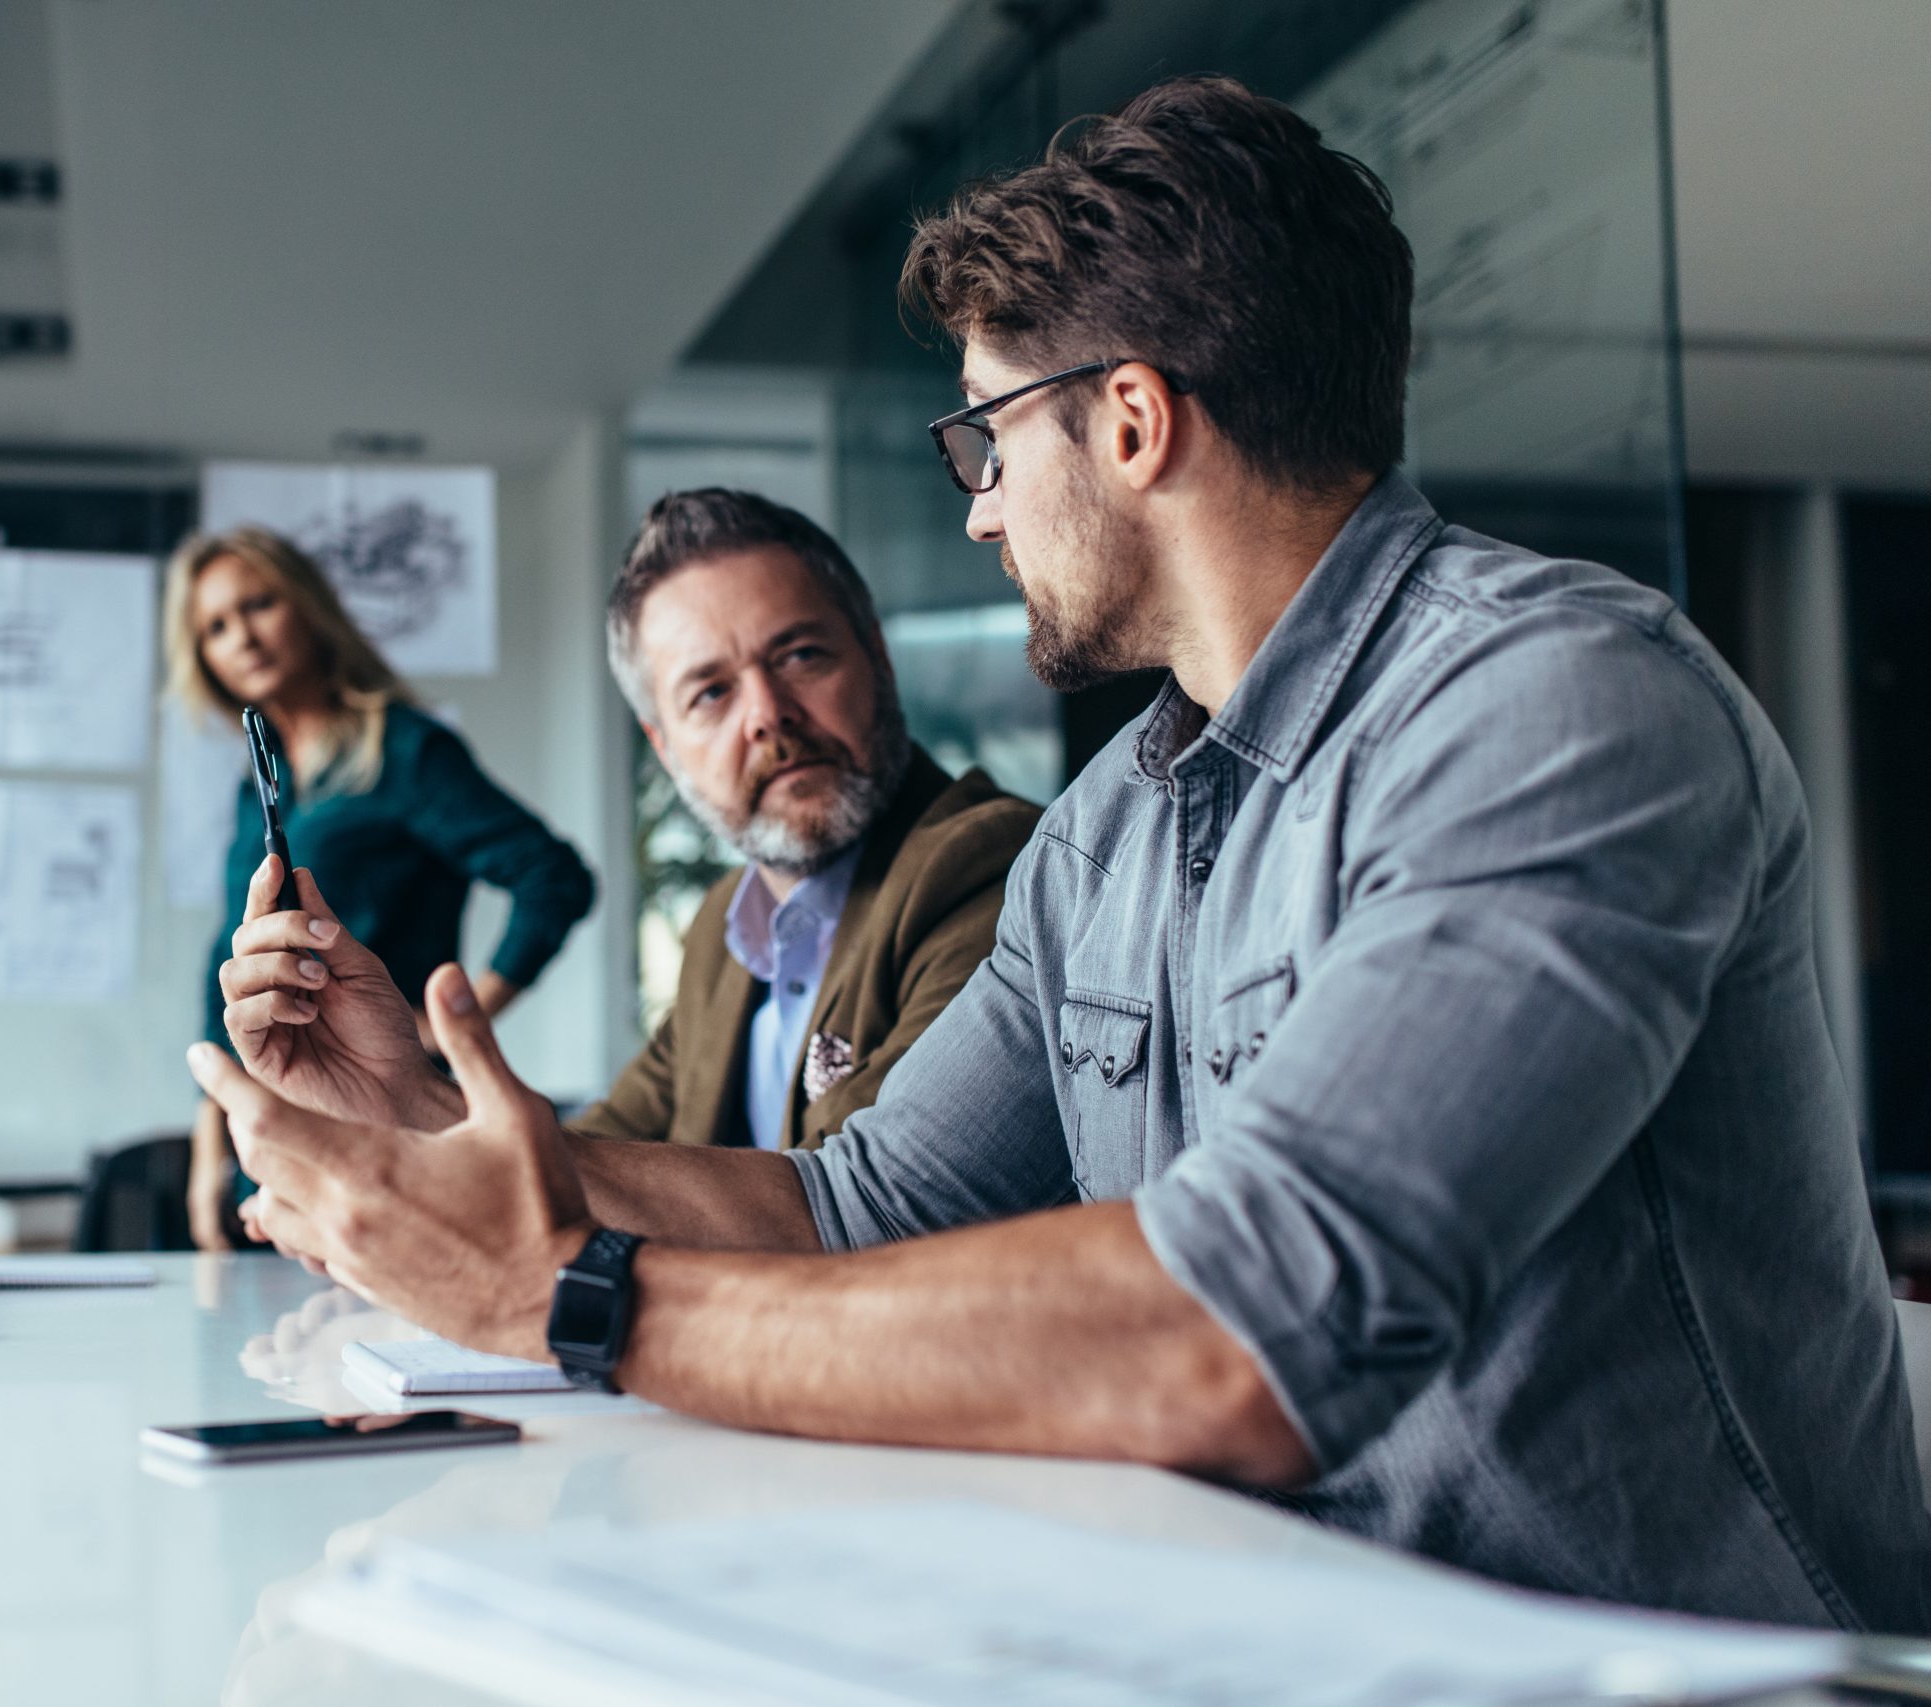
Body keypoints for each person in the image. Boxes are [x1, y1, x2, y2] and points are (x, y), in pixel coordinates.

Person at [191, 76, 1931, 1631]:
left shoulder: (1556, 707)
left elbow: (1248, 1325)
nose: (977, 503)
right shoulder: (1110, 828)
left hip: (1694, 1670)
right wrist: (423, 1111)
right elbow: (851, 1208)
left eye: (985, 433)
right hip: (1293, 1632)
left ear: (1128, 421)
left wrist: (575, 1299)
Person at [219, 489, 1037, 1195]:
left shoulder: (990, 869)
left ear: (879, 663)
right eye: (710, 692)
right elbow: (592, 1157)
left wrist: (413, 1101)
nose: (766, 714)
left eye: (800, 654)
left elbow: (857, 1204)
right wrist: (381, 1108)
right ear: (664, 745)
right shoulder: (727, 928)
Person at [166, 526, 595, 1250]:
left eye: (258, 604)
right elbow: (230, 956)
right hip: (265, 1136)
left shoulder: (406, 751)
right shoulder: (258, 785)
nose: (241, 635)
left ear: (307, 606)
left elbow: (553, 877)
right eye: (214, 626)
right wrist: (211, 1138)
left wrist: (455, 1024)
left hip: (376, 1118)